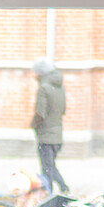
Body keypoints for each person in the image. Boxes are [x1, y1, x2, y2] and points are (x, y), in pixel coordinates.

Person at [31, 57, 69, 194]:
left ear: (40, 74)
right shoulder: (60, 87)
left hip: (46, 136)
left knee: (47, 168)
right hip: (58, 135)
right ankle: (61, 190)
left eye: (35, 73)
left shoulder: (43, 88)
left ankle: (52, 195)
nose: (34, 76)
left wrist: (34, 125)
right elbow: (63, 109)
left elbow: (40, 113)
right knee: (51, 166)